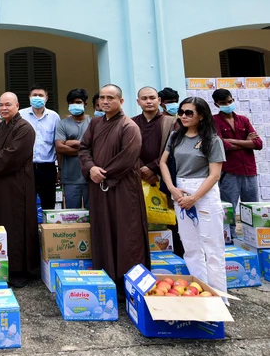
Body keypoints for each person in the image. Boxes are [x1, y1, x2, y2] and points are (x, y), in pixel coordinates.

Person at [78, 84, 149, 288]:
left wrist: (104, 175)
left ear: (121, 101)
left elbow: (127, 158)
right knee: (103, 229)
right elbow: (84, 148)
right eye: (102, 98)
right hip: (98, 186)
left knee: (126, 232)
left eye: (110, 97)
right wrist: (91, 168)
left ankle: (126, 282)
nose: (105, 101)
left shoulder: (129, 126)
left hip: (122, 188)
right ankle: (106, 276)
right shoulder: (95, 124)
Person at [160, 97, 227, 294]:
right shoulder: (175, 137)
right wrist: (171, 187)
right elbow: (163, 162)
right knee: (190, 244)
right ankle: (200, 289)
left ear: (202, 115)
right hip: (180, 190)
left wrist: (194, 197)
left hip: (204, 191)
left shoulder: (212, 140)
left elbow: (215, 174)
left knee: (212, 245)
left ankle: (219, 294)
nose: (183, 116)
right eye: (181, 112)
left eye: (189, 112)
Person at [0, 92, 37, 288]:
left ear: (17, 106)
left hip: (16, 186)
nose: (3, 108)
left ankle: (18, 270)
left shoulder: (25, 128)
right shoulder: (2, 126)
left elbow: (12, 156)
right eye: (1, 105)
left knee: (15, 226)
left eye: (8, 105)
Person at [132, 86, 182, 257]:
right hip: (138, 177)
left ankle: (176, 257)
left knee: (170, 218)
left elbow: (174, 148)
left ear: (159, 101)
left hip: (164, 175)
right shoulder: (131, 123)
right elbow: (127, 149)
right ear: (138, 102)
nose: (149, 101)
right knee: (139, 217)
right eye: (144, 98)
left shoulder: (172, 122)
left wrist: (153, 167)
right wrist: (141, 168)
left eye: (152, 98)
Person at [212, 89, 263, 222]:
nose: (228, 104)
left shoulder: (243, 120)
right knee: (228, 208)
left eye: (230, 101)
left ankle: (253, 238)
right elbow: (221, 145)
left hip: (249, 170)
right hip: (229, 171)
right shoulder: (214, 121)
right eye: (224, 103)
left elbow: (258, 144)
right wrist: (247, 142)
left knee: (253, 207)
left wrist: (232, 141)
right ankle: (231, 236)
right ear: (217, 104)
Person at [20, 85, 60, 210]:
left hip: (47, 168)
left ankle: (47, 230)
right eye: (34, 95)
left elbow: (57, 144)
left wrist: (60, 169)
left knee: (48, 204)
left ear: (46, 98)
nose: (37, 98)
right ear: (29, 98)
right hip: (26, 167)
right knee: (26, 204)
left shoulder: (54, 117)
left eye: (41, 95)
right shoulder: (20, 115)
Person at [55, 89, 90, 209]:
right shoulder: (62, 124)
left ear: (85, 104)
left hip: (90, 176)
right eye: (71, 103)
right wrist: (86, 149)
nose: (75, 105)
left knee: (93, 213)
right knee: (72, 214)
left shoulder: (94, 123)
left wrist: (75, 143)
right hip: (70, 177)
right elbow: (60, 148)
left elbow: (98, 147)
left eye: (78, 102)